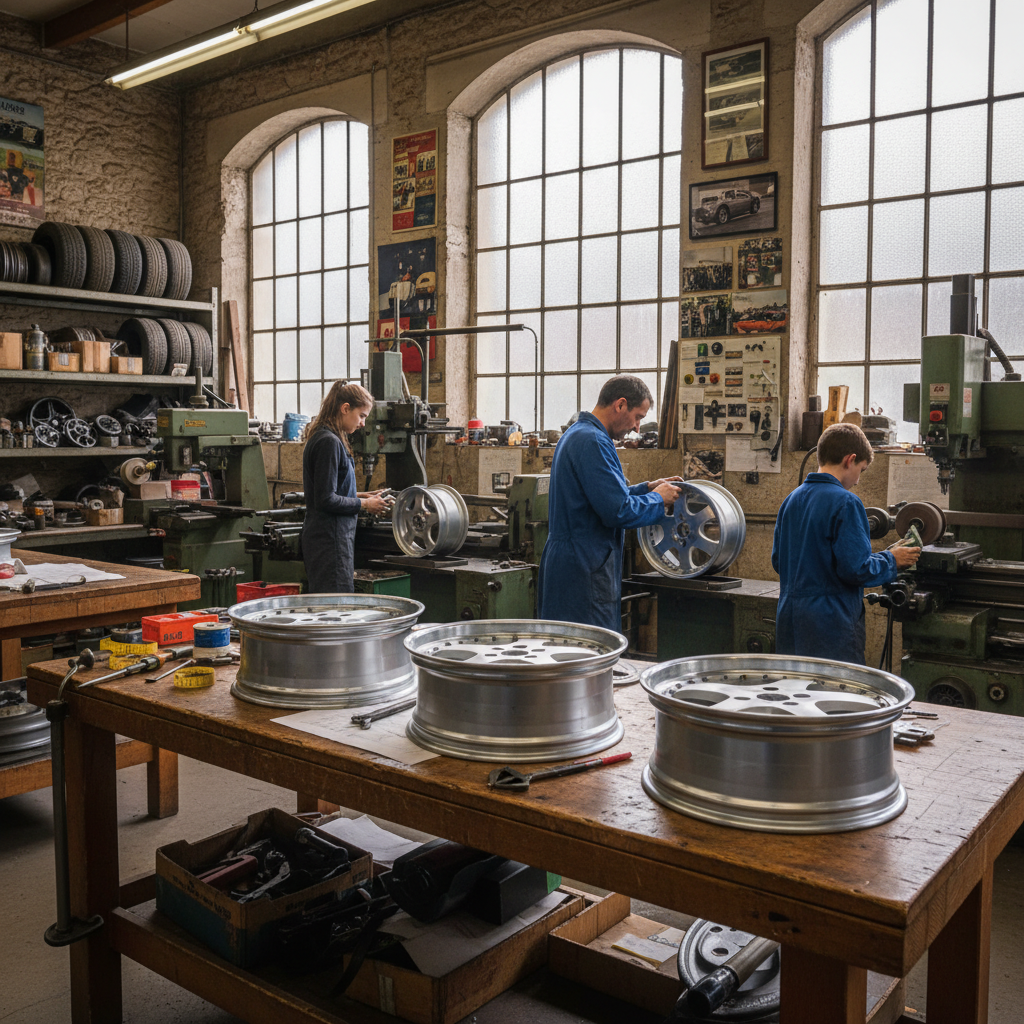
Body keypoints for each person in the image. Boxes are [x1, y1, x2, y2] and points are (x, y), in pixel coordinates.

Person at [537, 375, 683, 632]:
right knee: (591, 646)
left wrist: (647, 489)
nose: (637, 428)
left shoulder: (578, 434)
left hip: (573, 559)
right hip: (584, 564)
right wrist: (658, 499)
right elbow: (618, 511)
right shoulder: (593, 441)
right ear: (620, 405)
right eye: (637, 417)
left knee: (567, 643)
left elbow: (601, 496)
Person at [771, 422, 920, 664]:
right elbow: (856, 569)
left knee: (796, 683)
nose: (858, 480)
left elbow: (779, 561)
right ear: (849, 460)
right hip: (830, 622)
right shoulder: (846, 502)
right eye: (862, 469)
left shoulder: (791, 500)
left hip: (789, 617)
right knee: (836, 687)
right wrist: (892, 561)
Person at [301, 381, 389, 593]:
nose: (363, 424)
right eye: (362, 416)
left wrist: (362, 495)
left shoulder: (325, 437)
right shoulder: (329, 442)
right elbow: (325, 499)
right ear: (345, 408)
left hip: (330, 539)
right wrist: (365, 504)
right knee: (335, 605)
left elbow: (328, 488)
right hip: (330, 542)